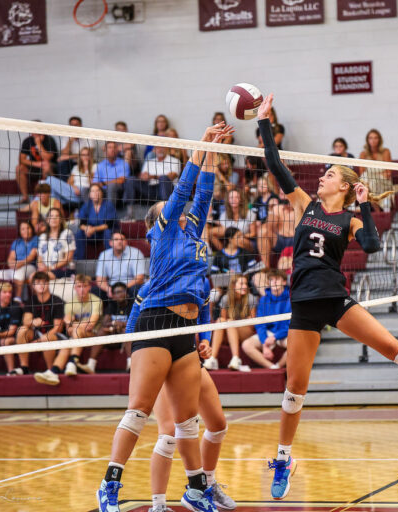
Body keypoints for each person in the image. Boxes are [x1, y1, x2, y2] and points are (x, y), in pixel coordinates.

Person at [257, 93, 398, 500]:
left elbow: (372, 247)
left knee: (392, 347)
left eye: (329, 175)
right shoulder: (304, 204)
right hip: (304, 306)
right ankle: (283, 457)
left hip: (334, 298)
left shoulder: (348, 217)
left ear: (345, 186)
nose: (322, 177)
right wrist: (262, 121)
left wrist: (364, 207)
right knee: (295, 389)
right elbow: (275, 165)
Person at [95, 121, 233, 512]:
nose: (188, 213)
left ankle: (193, 489)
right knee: (138, 411)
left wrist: (215, 149)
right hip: (156, 321)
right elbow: (185, 191)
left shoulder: (195, 237)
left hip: (186, 330)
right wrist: (200, 144)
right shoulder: (165, 229)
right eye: (177, 212)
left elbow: (204, 193)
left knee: (188, 421)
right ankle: (110, 486)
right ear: (160, 219)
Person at [125, 281, 235, 512]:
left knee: (218, 425)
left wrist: (204, 341)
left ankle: (207, 484)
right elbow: (131, 329)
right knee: (168, 434)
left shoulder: (200, 283)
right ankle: (158, 505)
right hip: (159, 360)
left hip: (187, 358)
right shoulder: (151, 287)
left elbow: (204, 318)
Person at [20, 272, 67, 386]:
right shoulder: (31, 301)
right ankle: (24, 367)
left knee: (47, 338)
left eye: (44, 282)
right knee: (22, 330)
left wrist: (40, 340)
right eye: (38, 283)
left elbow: (58, 328)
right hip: (38, 334)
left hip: (56, 336)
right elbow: (26, 321)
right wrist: (32, 322)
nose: (41, 285)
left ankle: (50, 371)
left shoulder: (56, 301)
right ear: (33, 286)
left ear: (49, 284)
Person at [203, 273, 257, 371]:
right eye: (241, 284)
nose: (244, 286)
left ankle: (236, 359)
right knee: (220, 320)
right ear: (233, 285)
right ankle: (213, 359)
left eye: (245, 284)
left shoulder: (250, 298)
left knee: (230, 322)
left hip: (245, 332)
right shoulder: (226, 299)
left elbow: (252, 324)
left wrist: (234, 323)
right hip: (230, 332)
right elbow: (223, 321)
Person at [241, 270, 290, 370]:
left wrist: (276, 337)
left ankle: (279, 365)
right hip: (268, 333)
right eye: (271, 280)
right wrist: (264, 343)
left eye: (277, 279)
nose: (274, 282)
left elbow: (291, 325)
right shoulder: (264, 299)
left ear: (284, 282)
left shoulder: (290, 298)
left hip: (284, 334)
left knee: (296, 344)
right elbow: (260, 324)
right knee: (246, 345)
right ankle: (271, 367)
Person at [86, 281, 134, 374]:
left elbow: (134, 322)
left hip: (130, 340)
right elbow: (105, 323)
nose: (118, 294)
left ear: (126, 293)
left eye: (121, 291)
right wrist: (115, 324)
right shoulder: (112, 304)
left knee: (126, 330)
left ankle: (131, 365)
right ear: (113, 296)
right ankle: (90, 365)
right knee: (102, 332)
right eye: (116, 292)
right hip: (115, 337)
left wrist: (121, 324)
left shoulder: (132, 304)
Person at [62, 274, 103, 376]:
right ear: (75, 287)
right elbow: (68, 329)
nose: (82, 289)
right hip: (78, 334)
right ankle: (71, 363)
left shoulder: (97, 301)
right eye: (79, 286)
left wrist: (73, 323)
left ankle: (69, 365)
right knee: (75, 333)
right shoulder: (69, 303)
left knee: (75, 333)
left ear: (89, 287)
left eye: (84, 286)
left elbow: (90, 325)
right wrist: (75, 325)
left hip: (93, 334)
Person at [0, 220, 39, 302]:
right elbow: (11, 258)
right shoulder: (17, 242)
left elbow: (31, 257)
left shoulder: (36, 239)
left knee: (19, 272)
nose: (25, 231)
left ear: (31, 229)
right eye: (23, 229)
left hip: (30, 267)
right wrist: (12, 264)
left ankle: (17, 299)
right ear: (20, 231)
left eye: (27, 228)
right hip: (15, 266)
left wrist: (19, 264)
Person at [0, 282, 24, 376]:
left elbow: (12, 331)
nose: (8, 294)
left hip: (16, 337)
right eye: (5, 292)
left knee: (5, 341)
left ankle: (11, 372)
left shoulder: (15, 307)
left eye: (10, 292)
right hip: (1, 337)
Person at [94, 230, 146, 301]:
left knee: (136, 290)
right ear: (110, 243)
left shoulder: (136, 253)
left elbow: (139, 278)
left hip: (130, 286)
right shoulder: (104, 255)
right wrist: (109, 289)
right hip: (111, 287)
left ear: (126, 242)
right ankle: (106, 312)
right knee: (95, 291)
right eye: (116, 239)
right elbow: (100, 280)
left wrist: (122, 289)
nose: (119, 242)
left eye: (122, 239)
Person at [16, 127, 59, 203]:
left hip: (51, 167)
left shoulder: (49, 140)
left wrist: (38, 144)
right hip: (36, 166)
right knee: (19, 168)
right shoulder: (27, 141)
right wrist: (36, 164)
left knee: (46, 165)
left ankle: (43, 197)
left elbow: (47, 158)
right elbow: (21, 160)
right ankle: (25, 197)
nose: (35, 134)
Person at [358, 129, 395, 212]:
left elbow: (388, 173)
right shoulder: (363, 154)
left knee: (370, 183)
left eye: (375, 138)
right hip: (368, 181)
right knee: (365, 181)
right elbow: (362, 174)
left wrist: (374, 175)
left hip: (383, 181)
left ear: (379, 140)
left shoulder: (385, 152)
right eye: (370, 138)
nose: (373, 140)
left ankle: (366, 206)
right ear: (367, 140)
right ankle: (377, 210)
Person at [77, 184, 117, 258]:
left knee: (108, 232)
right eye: (92, 191)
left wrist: (93, 229)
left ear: (102, 193)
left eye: (97, 191)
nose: (95, 193)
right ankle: (78, 259)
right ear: (89, 195)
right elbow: (81, 223)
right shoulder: (86, 206)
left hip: (104, 232)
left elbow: (109, 224)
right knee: (79, 233)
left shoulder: (108, 205)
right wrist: (87, 229)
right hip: (90, 234)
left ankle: (112, 258)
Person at [37, 208, 76, 280]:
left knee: (41, 278)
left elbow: (68, 258)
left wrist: (50, 268)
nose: (54, 218)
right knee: (32, 277)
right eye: (51, 216)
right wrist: (40, 266)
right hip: (46, 270)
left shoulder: (67, 233)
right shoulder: (43, 237)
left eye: (57, 216)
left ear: (61, 220)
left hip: (63, 269)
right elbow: (39, 258)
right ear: (47, 220)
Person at [93, 141, 132, 207]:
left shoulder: (124, 164)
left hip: (119, 190)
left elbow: (121, 180)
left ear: (117, 150)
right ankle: (90, 213)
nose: (112, 149)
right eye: (110, 147)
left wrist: (104, 183)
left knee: (111, 186)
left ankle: (110, 214)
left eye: (114, 147)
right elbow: (95, 182)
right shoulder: (100, 165)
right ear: (105, 150)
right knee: (88, 190)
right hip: (102, 189)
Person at [258, 198, 295, 268]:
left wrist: (295, 207)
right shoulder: (277, 208)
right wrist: (271, 211)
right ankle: (266, 269)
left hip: (295, 240)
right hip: (279, 239)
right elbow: (270, 227)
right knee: (263, 232)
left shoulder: (302, 206)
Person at [56, 116, 95, 180]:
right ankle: (64, 186)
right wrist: (70, 141)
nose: (74, 127)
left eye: (76, 125)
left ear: (81, 126)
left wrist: (69, 156)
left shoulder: (88, 135)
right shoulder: (66, 136)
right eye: (72, 125)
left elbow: (89, 153)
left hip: (84, 161)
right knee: (62, 164)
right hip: (70, 162)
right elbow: (64, 153)